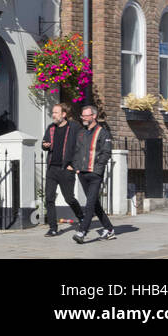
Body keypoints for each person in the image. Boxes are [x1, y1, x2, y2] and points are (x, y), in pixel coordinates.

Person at [71, 104, 115, 242]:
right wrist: (76, 167)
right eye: (82, 115)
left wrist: (98, 168)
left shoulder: (103, 132)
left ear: (94, 116)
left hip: (95, 174)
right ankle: (109, 229)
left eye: (86, 115)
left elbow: (106, 152)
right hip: (82, 173)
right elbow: (76, 152)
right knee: (94, 203)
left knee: (89, 203)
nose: (83, 118)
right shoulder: (81, 132)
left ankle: (82, 232)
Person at [40, 102, 83, 236]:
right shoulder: (51, 128)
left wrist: (74, 166)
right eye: (53, 112)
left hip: (66, 169)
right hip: (52, 168)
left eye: (55, 112)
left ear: (64, 114)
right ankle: (53, 228)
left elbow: (81, 147)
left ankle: (81, 216)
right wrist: (45, 145)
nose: (53, 115)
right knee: (49, 198)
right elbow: (44, 143)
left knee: (69, 198)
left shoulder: (74, 127)